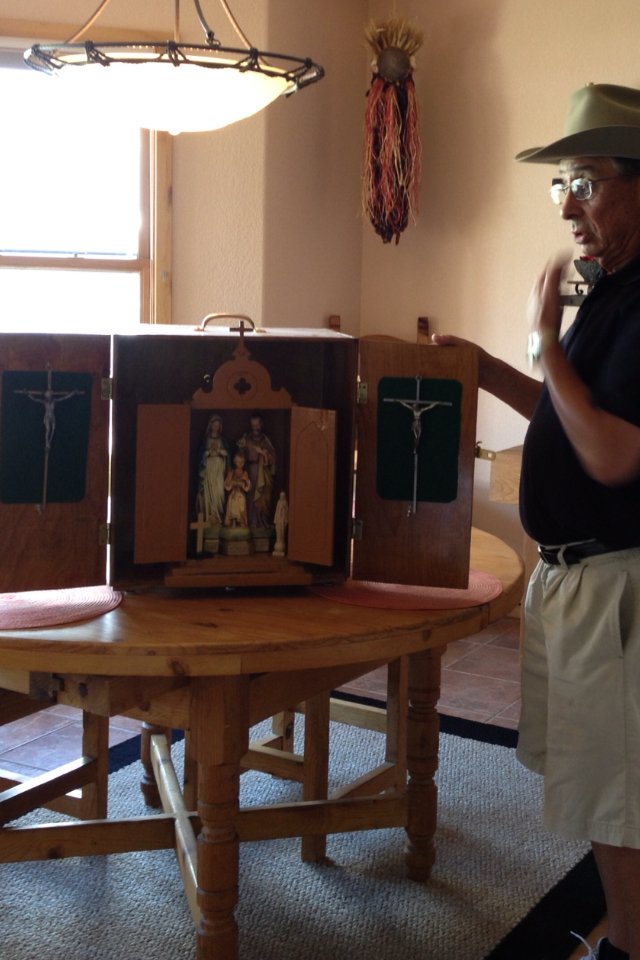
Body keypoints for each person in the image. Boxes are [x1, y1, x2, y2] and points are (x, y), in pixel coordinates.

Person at [434, 84, 640, 960]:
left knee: (617, 796)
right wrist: (492, 367)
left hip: (615, 583)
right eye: (561, 183)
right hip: (576, 577)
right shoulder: (613, 291)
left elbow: (613, 454)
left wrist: (543, 340)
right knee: (598, 783)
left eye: (585, 182)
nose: (565, 205)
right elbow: (570, 415)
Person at [237, 414, 276, 529]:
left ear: (261, 425)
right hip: (250, 470)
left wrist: (263, 452)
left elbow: (273, 457)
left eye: (257, 425)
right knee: (250, 495)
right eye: (253, 425)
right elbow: (240, 455)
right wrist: (241, 448)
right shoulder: (248, 439)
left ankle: (261, 522)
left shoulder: (265, 440)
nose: (255, 427)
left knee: (262, 496)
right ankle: (251, 521)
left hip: (262, 472)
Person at [196, 414, 231, 527]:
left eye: (218, 426)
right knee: (209, 492)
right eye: (214, 425)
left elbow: (228, 454)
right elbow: (200, 456)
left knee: (219, 493)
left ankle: (219, 516)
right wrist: (210, 451)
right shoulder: (205, 440)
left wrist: (219, 450)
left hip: (219, 468)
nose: (216, 428)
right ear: (210, 425)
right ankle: (211, 517)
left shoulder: (222, 440)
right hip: (209, 468)